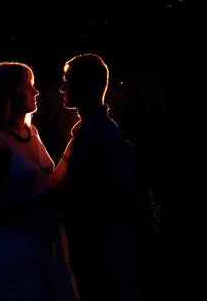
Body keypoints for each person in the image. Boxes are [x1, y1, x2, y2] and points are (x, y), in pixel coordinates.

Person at [0, 62, 77, 301]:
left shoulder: (34, 134)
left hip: (47, 247)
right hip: (15, 251)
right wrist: (39, 204)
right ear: (11, 94)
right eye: (28, 86)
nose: (36, 92)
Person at [53, 53, 139, 301]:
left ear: (87, 85)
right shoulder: (90, 131)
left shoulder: (103, 136)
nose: (62, 88)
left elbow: (124, 196)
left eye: (67, 80)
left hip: (104, 255)